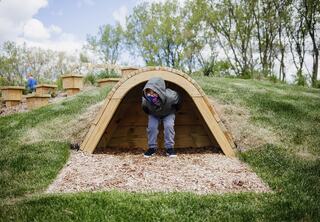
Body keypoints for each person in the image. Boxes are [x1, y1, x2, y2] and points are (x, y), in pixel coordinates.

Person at [141, 77, 181, 157]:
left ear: (159, 92)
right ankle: (152, 148)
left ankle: (169, 148)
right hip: (154, 113)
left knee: (168, 126)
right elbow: (145, 109)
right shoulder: (145, 100)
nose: (151, 95)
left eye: (154, 93)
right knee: (152, 127)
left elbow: (178, 103)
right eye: (149, 93)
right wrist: (152, 113)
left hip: (168, 112)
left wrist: (173, 111)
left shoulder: (171, 96)